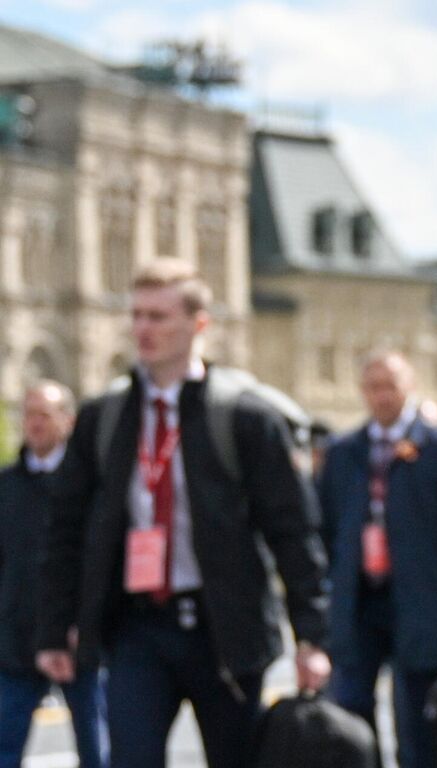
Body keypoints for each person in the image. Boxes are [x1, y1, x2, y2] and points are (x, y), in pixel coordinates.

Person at [36, 258, 331, 768]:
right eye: (138, 315)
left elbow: (292, 528)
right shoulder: (105, 417)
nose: (144, 329)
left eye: (159, 316)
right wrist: (55, 626)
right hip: (138, 627)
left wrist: (313, 635)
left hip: (225, 632)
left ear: (199, 323)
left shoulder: (245, 415)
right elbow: (65, 528)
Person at [319, 351, 437, 767]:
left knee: (417, 722)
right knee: (350, 712)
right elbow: (324, 533)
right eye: (373, 387)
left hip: (422, 601)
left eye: (390, 385)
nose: (382, 396)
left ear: (409, 386)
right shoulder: (344, 451)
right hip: (360, 603)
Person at [0, 382, 106, 768]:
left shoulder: (90, 484)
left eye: (44, 414)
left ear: (68, 420)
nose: (34, 424)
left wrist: (88, 620)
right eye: (28, 414)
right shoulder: (7, 486)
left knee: (97, 750)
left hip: (80, 639)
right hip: (17, 639)